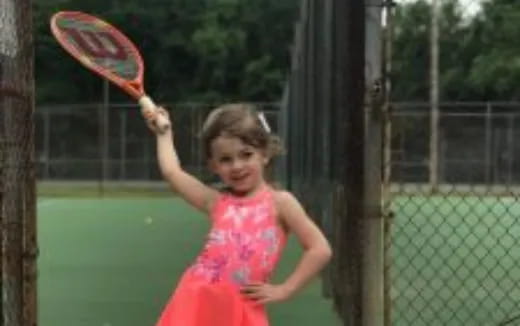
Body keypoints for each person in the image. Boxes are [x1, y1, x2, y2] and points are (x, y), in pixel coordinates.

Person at [142, 103, 332, 326]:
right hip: (197, 299)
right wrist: (164, 134)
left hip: (242, 307)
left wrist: (285, 290)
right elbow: (172, 172)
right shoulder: (216, 202)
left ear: (265, 154)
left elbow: (320, 249)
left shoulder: (281, 203)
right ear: (213, 165)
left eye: (246, 154)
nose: (237, 166)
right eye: (225, 159)